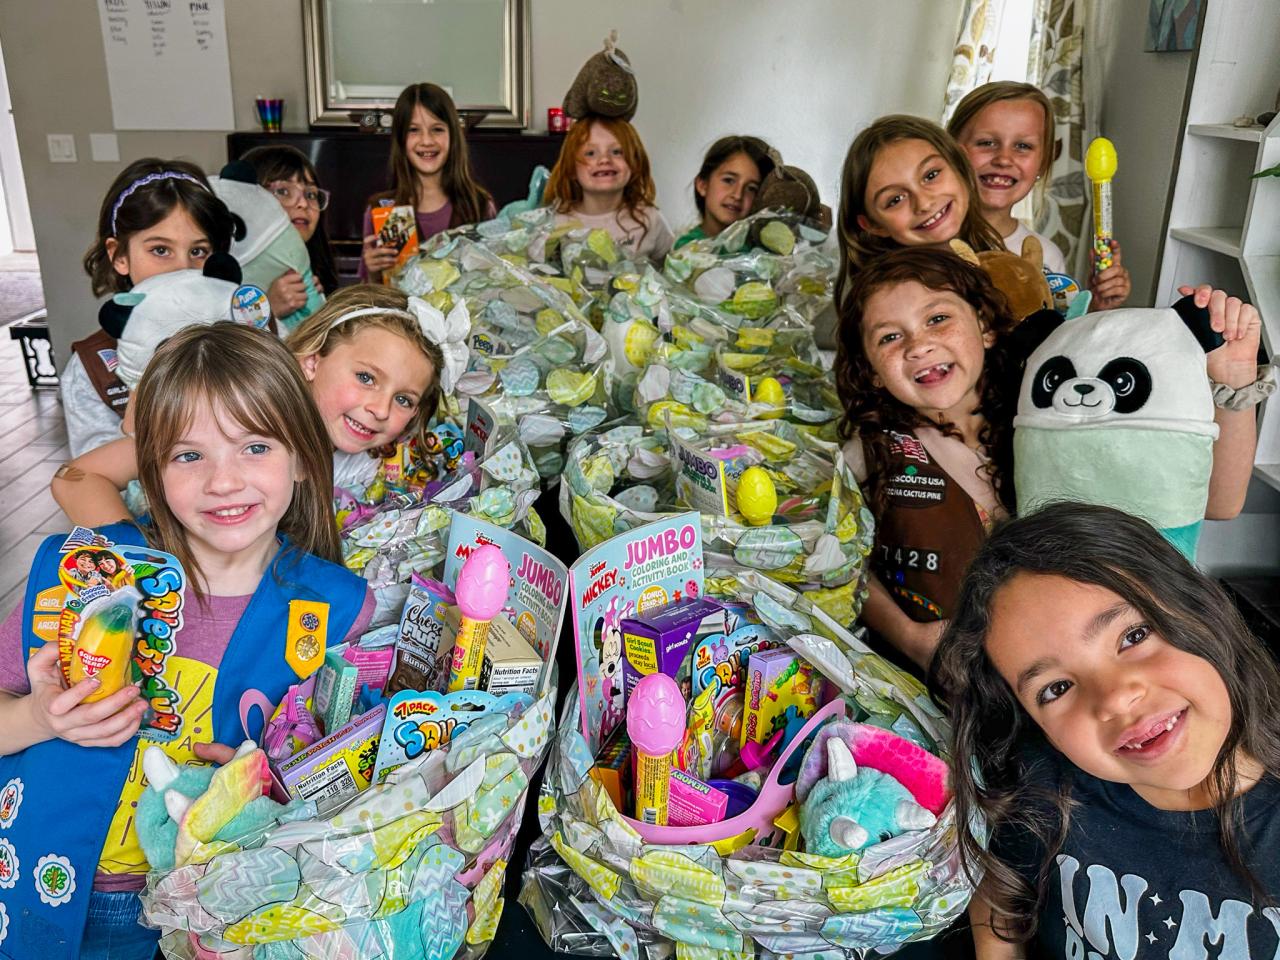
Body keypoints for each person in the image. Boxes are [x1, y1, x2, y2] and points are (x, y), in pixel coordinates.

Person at [0, 323, 375, 959]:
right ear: (151, 471)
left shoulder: (338, 610)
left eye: (255, 447)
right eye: (188, 455)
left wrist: (272, 783)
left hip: (213, 908)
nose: (223, 482)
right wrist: (39, 717)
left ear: (306, 460)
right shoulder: (82, 578)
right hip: (41, 882)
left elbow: (343, 784)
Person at [836, 248, 1257, 669]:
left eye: (937, 319)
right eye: (889, 337)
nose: (918, 345)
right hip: (944, 687)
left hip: (1084, 674)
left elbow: (1220, 503)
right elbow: (843, 564)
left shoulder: (1060, 405)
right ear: (871, 369)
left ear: (983, 326)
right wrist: (912, 639)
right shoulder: (866, 455)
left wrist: (1236, 382)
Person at [932, 503, 1280, 959]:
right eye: (1056, 688)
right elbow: (1001, 891)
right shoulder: (1043, 785)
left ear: (1201, 607)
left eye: (1134, 636)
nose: (1114, 698)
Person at [51, 284, 450, 525]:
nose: (380, 409)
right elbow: (77, 477)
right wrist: (135, 563)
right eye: (365, 378)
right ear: (312, 360)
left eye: (403, 399)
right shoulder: (237, 411)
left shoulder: (378, 462)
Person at [68, 158, 238, 457]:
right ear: (119, 255)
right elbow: (95, 479)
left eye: (198, 251)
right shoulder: (91, 368)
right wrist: (136, 423)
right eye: (160, 250)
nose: (182, 268)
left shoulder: (250, 332)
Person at [948, 80, 1132, 309]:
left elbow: (1054, 338)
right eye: (986, 142)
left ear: (1043, 163)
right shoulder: (928, 237)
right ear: (951, 149)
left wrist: (1095, 305)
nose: (1004, 158)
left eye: (1023, 146)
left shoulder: (1047, 257)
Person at [835, 114, 1003, 311]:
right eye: (895, 200)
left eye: (931, 175)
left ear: (960, 164)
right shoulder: (898, 298)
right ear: (873, 225)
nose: (923, 203)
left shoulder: (992, 256)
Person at [359, 83, 495, 283]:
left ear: (453, 136)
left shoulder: (478, 205)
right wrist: (372, 272)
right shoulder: (382, 209)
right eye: (413, 130)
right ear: (400, 139)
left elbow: (493, 281)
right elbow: (367, 299)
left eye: (437, 129)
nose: (426, 141)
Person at [544, 116, 674, 262]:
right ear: (572, 169)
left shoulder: (650, 219)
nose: (604, 159)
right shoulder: (555, 222)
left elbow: (674, 273)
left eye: (617, 152)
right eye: (590, 153)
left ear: (635, 164)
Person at [240, 143, 340, 307]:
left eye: (310, 194)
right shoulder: (227, 276)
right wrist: (267, 308)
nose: (303, 203)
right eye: (283, 191)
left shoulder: (318, 275)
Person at [673, 135, 777, 250]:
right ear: (703, 185)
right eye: (728, 180)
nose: (738, 195)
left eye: (751, 188)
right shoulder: (687, 250)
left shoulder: (761, 250)